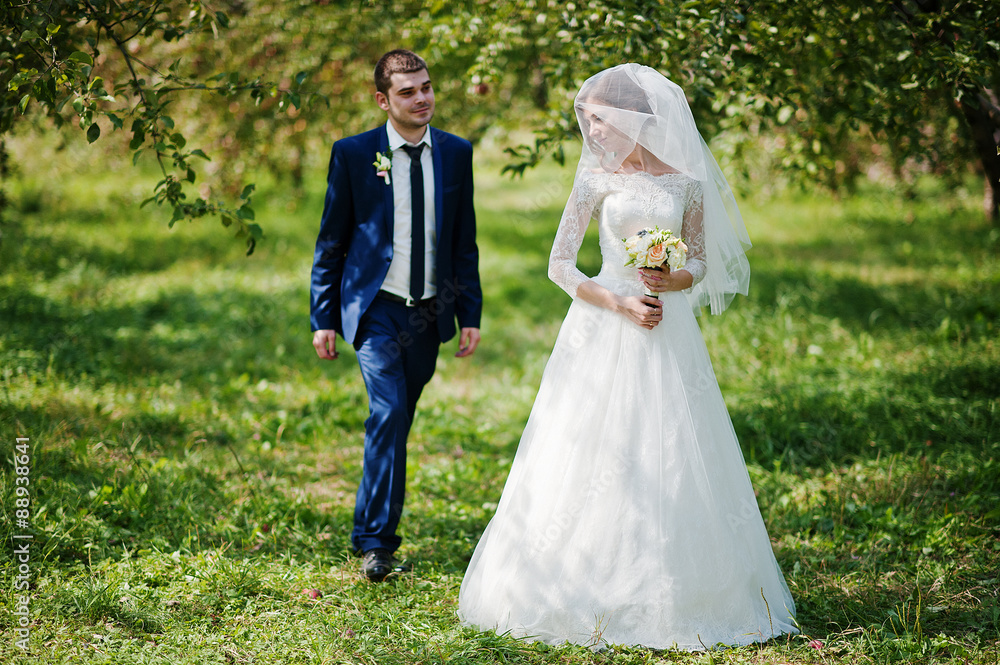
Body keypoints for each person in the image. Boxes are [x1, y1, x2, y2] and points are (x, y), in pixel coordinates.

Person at [457, 64, 797, 649]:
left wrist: (672, 282)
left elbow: (704, 264)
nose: (592, 131)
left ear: (634, 118)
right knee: (588, 442)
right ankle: (573, 580)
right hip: (601, 325)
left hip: (668, 329)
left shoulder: (686, 181)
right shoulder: (594, 179)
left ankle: (688, 590)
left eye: (599, 120)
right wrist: (618, 301)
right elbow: (559, 265)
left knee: (673, 441)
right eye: (585, 120)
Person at [310, 49, 482, 582]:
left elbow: (463, 240)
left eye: (427, 87)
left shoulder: (456, 153)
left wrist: (470, 309)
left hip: (430, 313)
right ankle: (377, 545)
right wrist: (324, 315)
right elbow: (332, 241)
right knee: (387, 412)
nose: (422, 98)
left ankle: (368, 526)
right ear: (383, 100)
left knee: (398, 419)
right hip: (376, 310)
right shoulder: (354, 154)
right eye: (408, 92)